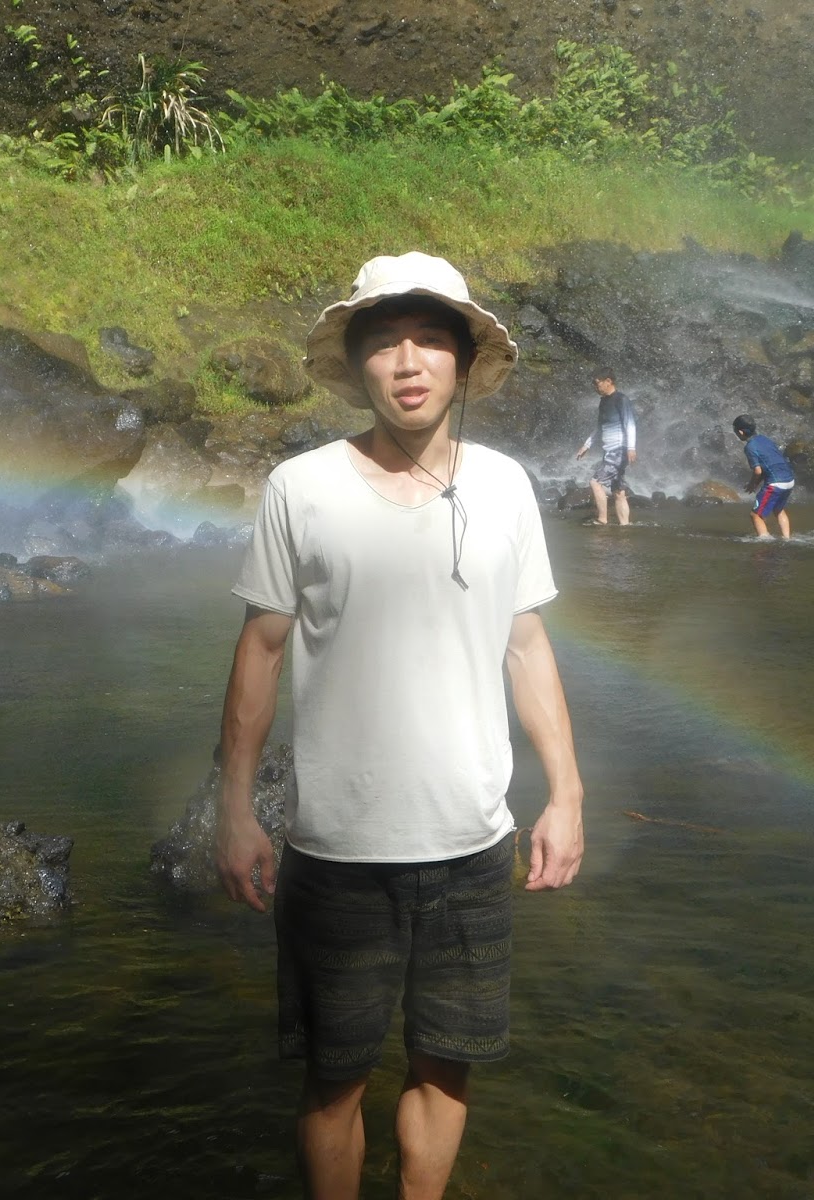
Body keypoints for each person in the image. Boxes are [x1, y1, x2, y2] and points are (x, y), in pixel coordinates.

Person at [215, 251, 585, 1200]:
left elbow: (525, 642)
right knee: (333, 1077)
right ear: (357, 364)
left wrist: (567, 793)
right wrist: (234, 808)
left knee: (446, 1063)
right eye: (383, 343)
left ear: (463, 362)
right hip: (335, 848)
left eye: (429, 341)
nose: (407, 361)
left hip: (473, 841)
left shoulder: (505, 487)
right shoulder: (301, 487)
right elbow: (259, 649)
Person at [573, 367, 638, 525]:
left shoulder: (621, 400)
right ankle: (625, 526)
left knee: (595, 482)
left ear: (608, 381)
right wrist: (586, 445)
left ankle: (602, 520)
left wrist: (631, 448)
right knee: (618, 492)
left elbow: (630, 425)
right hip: (610, 451)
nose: (596, 387)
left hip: (618, 450)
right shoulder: (603, 402)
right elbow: (600, 426)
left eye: (597, 383)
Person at [732, 414, 795, 539]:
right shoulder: (765, 439)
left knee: (756, 515)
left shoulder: (750, 447)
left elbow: (758, 471)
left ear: (740, 432)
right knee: (778, 509)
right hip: (789, 480)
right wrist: (755, 484)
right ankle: (787, 539)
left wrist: (752, 485)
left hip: (775, 483)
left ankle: (765, 541)